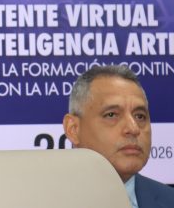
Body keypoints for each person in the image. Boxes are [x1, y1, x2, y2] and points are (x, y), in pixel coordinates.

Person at [63, 65, 174, 208]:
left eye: (140, 116)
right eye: (111, 115)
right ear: (73, 129)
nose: (133, 128)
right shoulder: (40, 198)